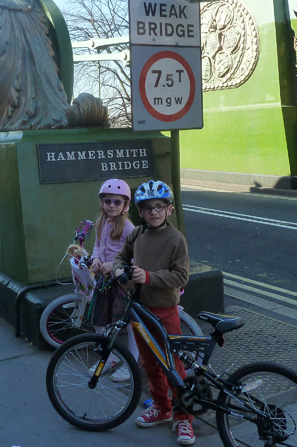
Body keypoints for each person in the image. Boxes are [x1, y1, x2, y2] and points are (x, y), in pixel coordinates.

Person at [113, 179, 194, 446]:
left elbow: (181, 276)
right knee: (149, 363)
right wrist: (119, 270)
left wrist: (148, 277)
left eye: (159, 206)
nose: (154, 212)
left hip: (165, 311)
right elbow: (121, 257)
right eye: (147, 208)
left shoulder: (175, 239)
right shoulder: (136, 234)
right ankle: (162, 407)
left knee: (173, 365)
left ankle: (183, 417)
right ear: (140, 211)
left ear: (169, 209)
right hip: (139, 309)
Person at [89, 179, 138, 382]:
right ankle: (109, 357)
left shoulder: (128, 228)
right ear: (101, 202)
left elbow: (136, 257)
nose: (111, 205)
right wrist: (95, 259)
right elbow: (97, 246)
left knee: (130, 323)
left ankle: (132, 362)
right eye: (107, 201)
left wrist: (114, 265)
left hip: (122, 283)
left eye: (117, 202)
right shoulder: (101, 222)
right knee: (101, 319)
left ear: (125, 204)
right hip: (105, 282)